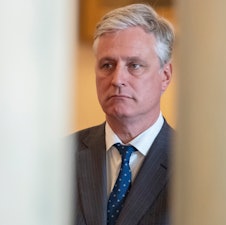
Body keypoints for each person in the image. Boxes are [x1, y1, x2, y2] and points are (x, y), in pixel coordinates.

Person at [73, 3, 174, 225]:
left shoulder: (193, 164)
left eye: (135, 66)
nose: (117, 79)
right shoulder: (60, 158)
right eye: (107, 65)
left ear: (165, 76)